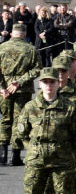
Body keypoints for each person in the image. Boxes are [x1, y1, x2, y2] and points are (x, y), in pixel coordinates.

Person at [0, 24, 42, 166]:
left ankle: (3, 153)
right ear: (24, 35)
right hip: (22, 89)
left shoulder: (1, 47)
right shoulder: (31, 49)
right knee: (19, 120)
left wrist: (2, 88)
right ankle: (15, 155)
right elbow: (37, 69)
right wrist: (20, 81)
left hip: (4, 88)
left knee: (5, 119)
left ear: (11, 34)